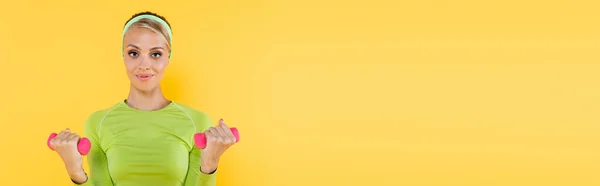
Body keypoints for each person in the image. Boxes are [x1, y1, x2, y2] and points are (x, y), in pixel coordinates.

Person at [48, 11, 238, 186]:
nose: (144, 65)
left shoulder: (197, 121)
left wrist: (210, 165)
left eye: (156, 54)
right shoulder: (98, 123)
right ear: (123, 56)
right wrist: (75, 173)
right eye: (134, 53)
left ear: (168, 58)